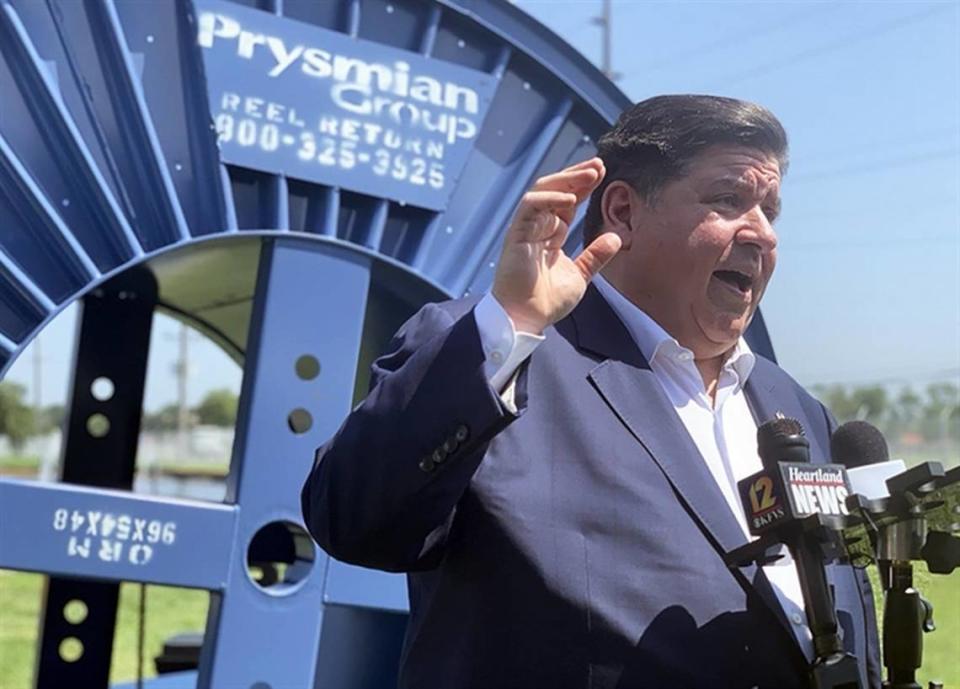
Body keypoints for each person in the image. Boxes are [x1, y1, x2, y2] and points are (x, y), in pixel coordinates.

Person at [301, 95, 881, 689]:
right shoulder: (499, 357)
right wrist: (512, 327)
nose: (761, 233)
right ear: (624, 213)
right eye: (728, 200)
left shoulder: (794, 408)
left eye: (770, 210)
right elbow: (351, 518)